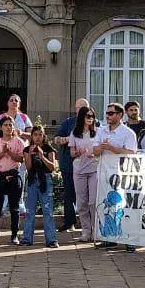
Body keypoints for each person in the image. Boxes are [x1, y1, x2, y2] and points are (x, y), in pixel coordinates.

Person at [94, 103, 139, 250]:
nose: (108, 116)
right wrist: (100, 148)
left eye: (111, 113)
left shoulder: (128, 133)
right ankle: (109, 237)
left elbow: (132, 153)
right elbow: (94, 150)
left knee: (124, 207)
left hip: (122, 174)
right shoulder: (101, 131)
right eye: (107, 113)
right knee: (106, 206)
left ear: (120, 115)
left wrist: (113, 148)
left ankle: (130, 240)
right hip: (105, 173)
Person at [0, 115, 26, 244]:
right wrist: (2, 152)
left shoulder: (18, 142)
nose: (8, 127)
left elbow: (21, 159)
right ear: (1, 127)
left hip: (13, 176)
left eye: (11, 125)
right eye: (6, 125)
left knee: (14, 208)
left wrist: (9, 152)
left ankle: (14, 235)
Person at [54, 99, 90, 232]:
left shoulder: (94, 123)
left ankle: (88, 224)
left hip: (88, 166)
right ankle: (69, 222)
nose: (81, 110)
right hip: (69, 164)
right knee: (69, 194)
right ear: (75, 109)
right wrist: (69, 139)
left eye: (84, 107)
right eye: (78, 108)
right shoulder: (68, 122)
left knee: (87, 196)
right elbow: (56, 139)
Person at [21, 125, 59, 248]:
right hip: (32, 180)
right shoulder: (27, 149)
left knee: (48, 211)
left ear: (43, 136)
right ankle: (27, 238)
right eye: (35, 134)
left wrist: (42, 156)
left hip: (45, 180)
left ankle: (51, 239)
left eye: (40, 135)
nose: (37, 137)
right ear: (32, 136)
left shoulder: (49, 149)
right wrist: (31, 155)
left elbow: (52, 167)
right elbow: (28, 168)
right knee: (30, 211)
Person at [68, 105, 99, 243]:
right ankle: (86, 231)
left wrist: (95, 154)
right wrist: (78, 152)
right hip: (79, 169)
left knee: (93, 201)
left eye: (92, 116)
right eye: (88, 116)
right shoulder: (74, 133)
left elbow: (101, 151)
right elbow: (72, 153)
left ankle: (95, 230)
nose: (90, 119)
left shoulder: (98, 133)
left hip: (94, 169)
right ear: (82, 117)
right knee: (81, 202)